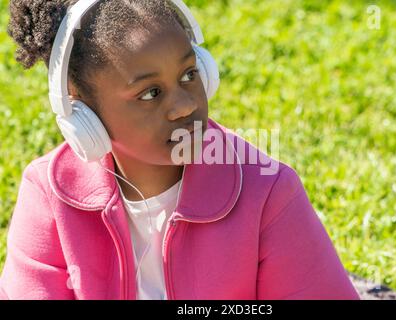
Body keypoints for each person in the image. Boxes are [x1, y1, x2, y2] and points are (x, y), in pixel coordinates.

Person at [0, 0, 359, 300]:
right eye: (150, 93)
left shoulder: (268, 193)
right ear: (81, 112)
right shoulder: (50, 193)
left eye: (189, 74)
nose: (184, 106)